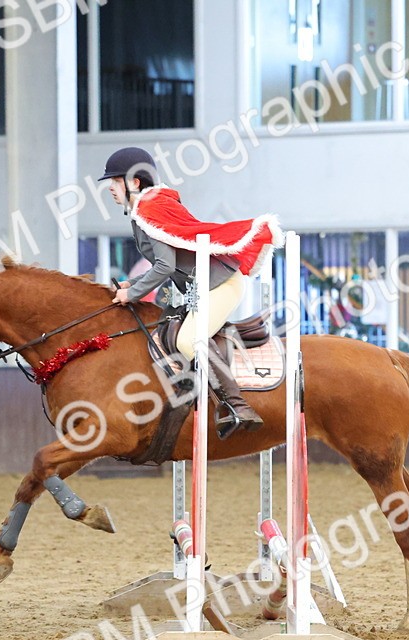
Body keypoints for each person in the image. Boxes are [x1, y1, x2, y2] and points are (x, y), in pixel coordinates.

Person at [99, 147, 283, 438]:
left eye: (115, 181)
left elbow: (164, 266)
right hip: (199, 286)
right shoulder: (144, 210)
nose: (109, 187)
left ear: (135, 182)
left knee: (189, 340)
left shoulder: (149, 210)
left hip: (220, 284)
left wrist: (132, 293)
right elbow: (166, 266)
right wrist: (129, 285)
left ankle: (237, 405)